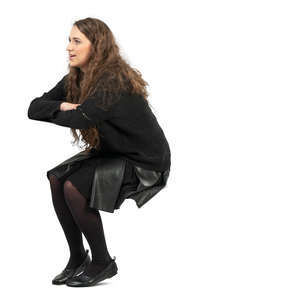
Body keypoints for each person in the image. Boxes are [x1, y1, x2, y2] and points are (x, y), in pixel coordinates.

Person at [27, 17, 171, 288]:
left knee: (73, 187)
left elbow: (82, 118)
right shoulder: (77, 78)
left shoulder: (112, 81)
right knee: (57, 178)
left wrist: (67, 110)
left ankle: (103, 262)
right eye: (69, 40)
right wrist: (67, 107)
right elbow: (34, 108)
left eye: (77, 41)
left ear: (97, 46)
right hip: (113, 151)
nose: (69, 47)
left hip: (144, 161)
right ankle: (78, 257)